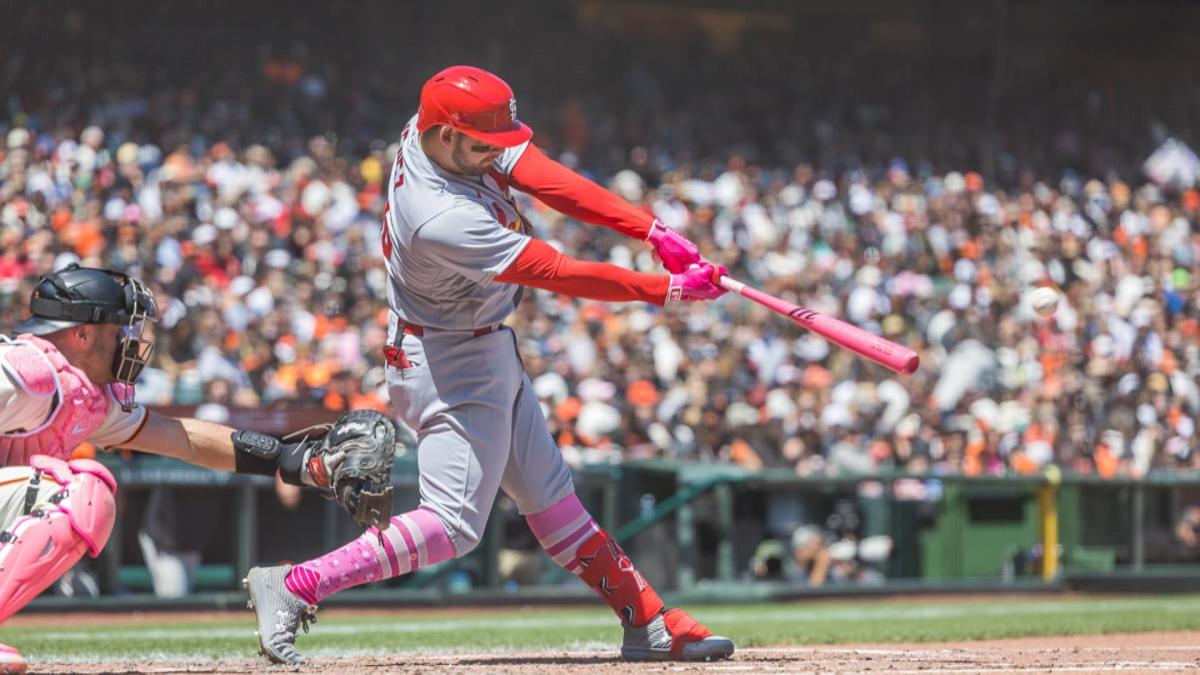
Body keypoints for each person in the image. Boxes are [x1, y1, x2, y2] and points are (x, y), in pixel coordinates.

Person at [244, 65, 735, 664]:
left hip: (479, 341)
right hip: (447, 358)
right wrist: (667, 290)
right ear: (447, 136)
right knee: (453, 526)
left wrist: (650, 228)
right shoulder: (437, 215)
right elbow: (554, 271)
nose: (497, 155)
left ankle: (649, 621)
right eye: (484, 145)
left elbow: (542, 177)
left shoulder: (439, 133)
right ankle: (293, 587)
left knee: (554, 504)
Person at [0, 264, 391, 675]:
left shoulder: (83, 394)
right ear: (82, 334)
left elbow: (179, 437)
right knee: (80, 493)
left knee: (82, 491)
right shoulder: (30, 371)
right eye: (119, 331)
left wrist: (288, 460)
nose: (128, 342)